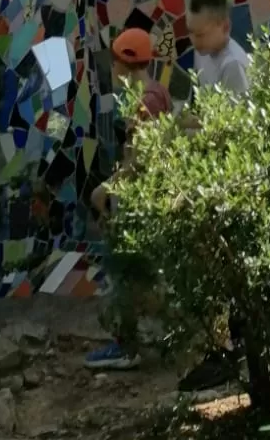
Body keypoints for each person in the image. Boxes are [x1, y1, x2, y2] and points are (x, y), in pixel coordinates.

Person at [175, 0, 251, 393]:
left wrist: (191, 126)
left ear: (224, 26)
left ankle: (239, 350)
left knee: (234, 267)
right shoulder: (205, 55)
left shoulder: (234, 65)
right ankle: (224, 347)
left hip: (233, 177)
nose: (195, 43)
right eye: (190, 34)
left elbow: (234, 130)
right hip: (210, 174)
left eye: (201, 35)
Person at [83, 28, 172, 372]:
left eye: (114, 64)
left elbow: (140, 160)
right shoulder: (158, 92)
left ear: (122, 65)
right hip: (147, 198)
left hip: (138, 201)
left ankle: (125, 346)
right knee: (140, 273)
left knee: (123, 270)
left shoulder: (145, 102)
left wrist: (105, 189)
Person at [186, 0, 250, 96]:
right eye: (191, 32)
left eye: (200, 35)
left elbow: (237, 112)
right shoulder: (203, 51)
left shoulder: (232, 65)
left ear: (225, 27)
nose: (194, 40)